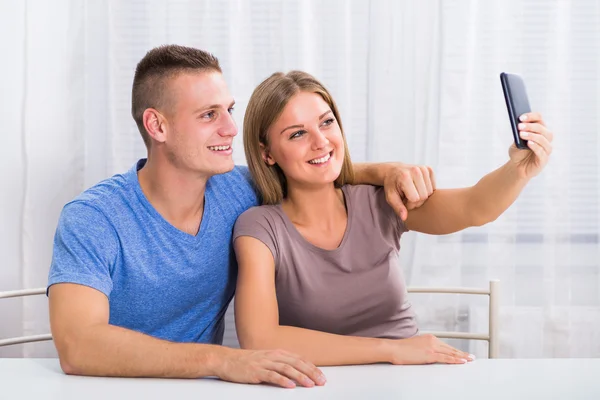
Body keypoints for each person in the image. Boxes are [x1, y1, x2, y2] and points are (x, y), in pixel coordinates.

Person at [47, 45, 438, 388]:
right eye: (209, 115)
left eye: (229, 110)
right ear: (157, 125)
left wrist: (387, 171)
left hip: (204, 389)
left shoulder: (238, 190)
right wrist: (222, 360)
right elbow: (79, 345)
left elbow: (313, 163)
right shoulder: (94, 218)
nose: (232, 129)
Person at [233, 70, 553, 366]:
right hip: (321, 383)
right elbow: (259, 339)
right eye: (298, 133)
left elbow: (475, 207)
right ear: (267, 153)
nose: (321, 142)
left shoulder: (380, 201)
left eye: (327, 123)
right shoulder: (260, 228)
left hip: (407, 378)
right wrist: (391, 349)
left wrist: (519, 169)